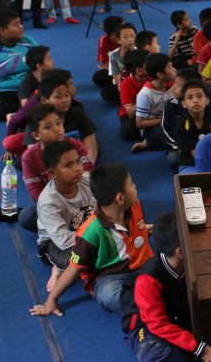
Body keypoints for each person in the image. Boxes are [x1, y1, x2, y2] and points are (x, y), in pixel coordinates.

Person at [31, 163, 153, 317]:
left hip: (143, 264)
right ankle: (149, 299)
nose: (135, 186)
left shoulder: (135, 205)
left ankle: (145, 297)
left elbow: (135, 233)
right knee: (108, 296)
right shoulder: (90, 232)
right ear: (120, 198)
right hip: (111, 276)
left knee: (167, 265)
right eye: (131, 185)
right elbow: (74, 269)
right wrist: (51, 300)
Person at [121, 212, 211, 362]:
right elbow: (158, 324)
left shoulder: (190, 261)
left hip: (181, 317)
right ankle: (198, 347)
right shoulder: (148, 278)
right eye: (194, 239)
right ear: (180, 252)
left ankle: (192, 345)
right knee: (156, 359)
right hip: (148, 325)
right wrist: (201, 349)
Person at [20, 104, 95, 233]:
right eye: (48, 127)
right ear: (36, 135)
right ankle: (78, 223)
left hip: (83, 199)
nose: (57, 129)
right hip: (56, 204)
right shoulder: (29, 158)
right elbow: (36, 194)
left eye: (58, 123)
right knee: (26, 217)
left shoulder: (75, 144)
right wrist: (59, 205)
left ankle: (76, 223)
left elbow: (89, 174)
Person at [36, 140, 96, 293]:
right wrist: (100, 234)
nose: (77, 168)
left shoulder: (87, 180)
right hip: (55, 242)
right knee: (82, 258)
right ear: (52, 173)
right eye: (68, 165)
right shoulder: (48, 203)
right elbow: (63, 241)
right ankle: (57, 269)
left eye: (78, 162)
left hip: (83, 229)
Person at [132, 53, 175, 153]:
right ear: (160, 75)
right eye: (170, 67)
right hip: (152, 128)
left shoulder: (173, 86)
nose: (174, 69)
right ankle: (148, 143)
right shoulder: (145, 94)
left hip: (170, 121)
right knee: (175, 134)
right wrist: (164, 120)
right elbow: (140, 123)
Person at [171, 80, 210, 172]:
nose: (195, 101)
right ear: (184, 103)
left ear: (207, 100)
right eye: (190, 97)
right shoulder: (181, 124)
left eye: (200, 96)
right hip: (190, 164)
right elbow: (196, 155)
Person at [117, 49, 148, 141]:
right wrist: (145, 94)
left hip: (152, 108)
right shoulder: (125, 84)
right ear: (139, 71)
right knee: (128, 131)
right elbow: (130, 114)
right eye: (148, 64)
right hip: (133, 111)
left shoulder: (153, 75)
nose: (152, 65)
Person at [92, 15, 123, 101]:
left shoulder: (128, 38)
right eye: (123, 28)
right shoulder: (103, 40)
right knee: (98, 77)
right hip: (116, 71)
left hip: (129, 71)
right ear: (113, 35)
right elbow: (105, 64)